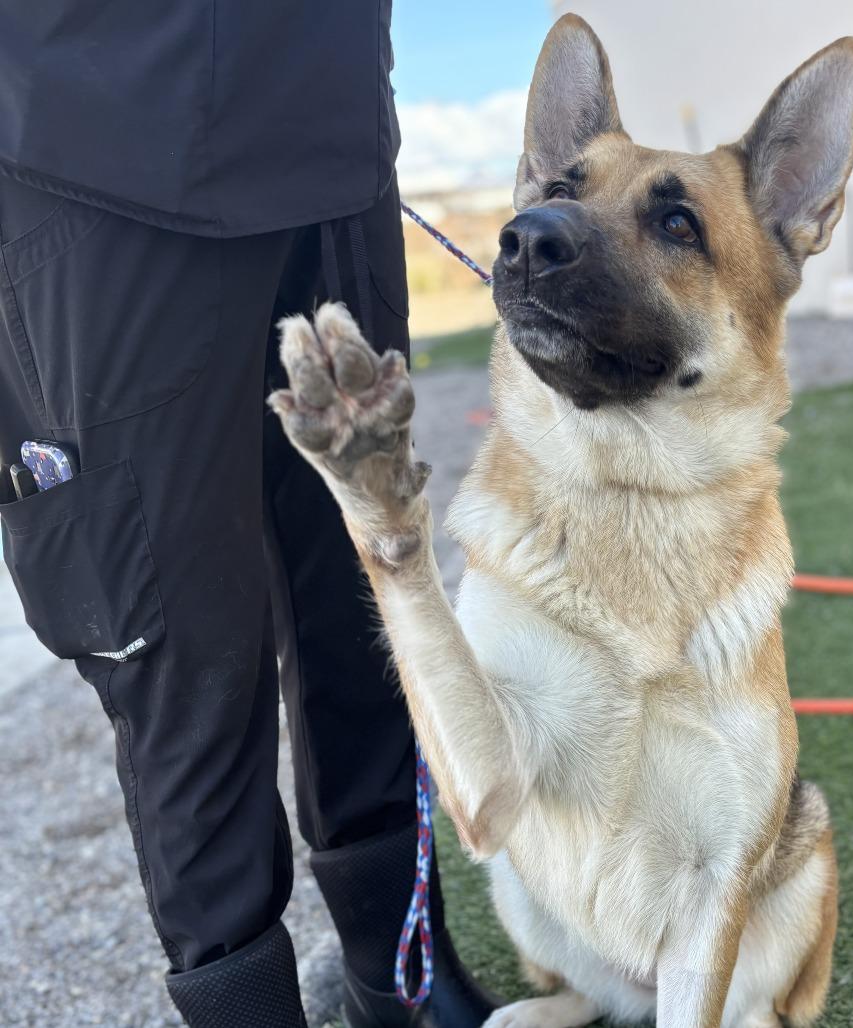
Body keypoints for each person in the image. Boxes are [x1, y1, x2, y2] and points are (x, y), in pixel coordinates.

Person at [0, 3, 496, 1026]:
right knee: (181, 644)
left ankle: (399, 979)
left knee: (366, 580)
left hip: (330, 118)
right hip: (93, 124)